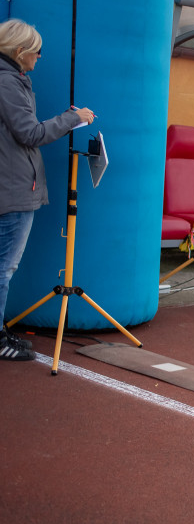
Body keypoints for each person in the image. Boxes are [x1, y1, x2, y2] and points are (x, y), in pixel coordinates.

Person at [0, 19, 94, 361]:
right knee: (4, 268)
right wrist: (73, 118)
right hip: (12, 190)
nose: (39, 58)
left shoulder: (11, 80)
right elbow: (31, 134)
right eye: (37, 52)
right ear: (20, 52)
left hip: (11, 186)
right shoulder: (8, 82)